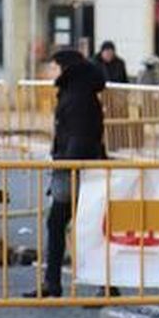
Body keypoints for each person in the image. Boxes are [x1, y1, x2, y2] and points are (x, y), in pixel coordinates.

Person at [26, 49, 106, 298]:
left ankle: (98, 284)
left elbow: (80, 134)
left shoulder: (77, 95)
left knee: (79, 225)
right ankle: (57, 282)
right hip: (77, 167)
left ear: (65, 68)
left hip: (77, 169)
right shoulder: (78, 91)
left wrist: (65, 162)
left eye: (54, 66)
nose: (51, 71)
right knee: (68, 224)